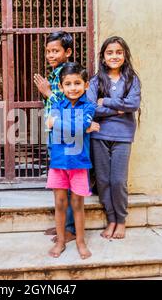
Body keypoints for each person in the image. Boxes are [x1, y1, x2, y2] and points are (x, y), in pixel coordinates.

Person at [86, 36, 141, 240]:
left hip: (123, 136)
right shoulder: (95, 81)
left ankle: (121, 220)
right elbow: (91, 108)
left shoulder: (132, 80)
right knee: (103, 180)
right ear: (103, 57)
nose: (114, 56)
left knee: (118, 180)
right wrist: (117, 108)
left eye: (118, 52)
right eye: (110, 53)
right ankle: (111, 219)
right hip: (99, 134)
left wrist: (107, 101)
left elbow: (133, 105)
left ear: (125, 55)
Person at [45, 62, 100, 259]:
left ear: (86, 85)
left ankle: (80, 241)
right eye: (68, 84)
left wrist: (60, 124)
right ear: (61, 87)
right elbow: (57, 128)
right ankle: (61, 241)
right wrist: (81, 127)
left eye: (77, 83)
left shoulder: (89, 106)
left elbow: (74, 126)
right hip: (59, 163)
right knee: (60, 203)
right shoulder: (57, 105)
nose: (73, 87)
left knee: (77, 203)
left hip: (79, 163)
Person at [33, 31, 76, 244]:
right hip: (56, 132)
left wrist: (47, 92)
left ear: (67, 52)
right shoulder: (54, 73)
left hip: (67, 134)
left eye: (55, 51)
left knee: (66, 182)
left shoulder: (68, 73)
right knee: (59, 181)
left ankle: (70, 229)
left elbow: (71, 100)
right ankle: (62, 225)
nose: (51, 55)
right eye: (48, 51)